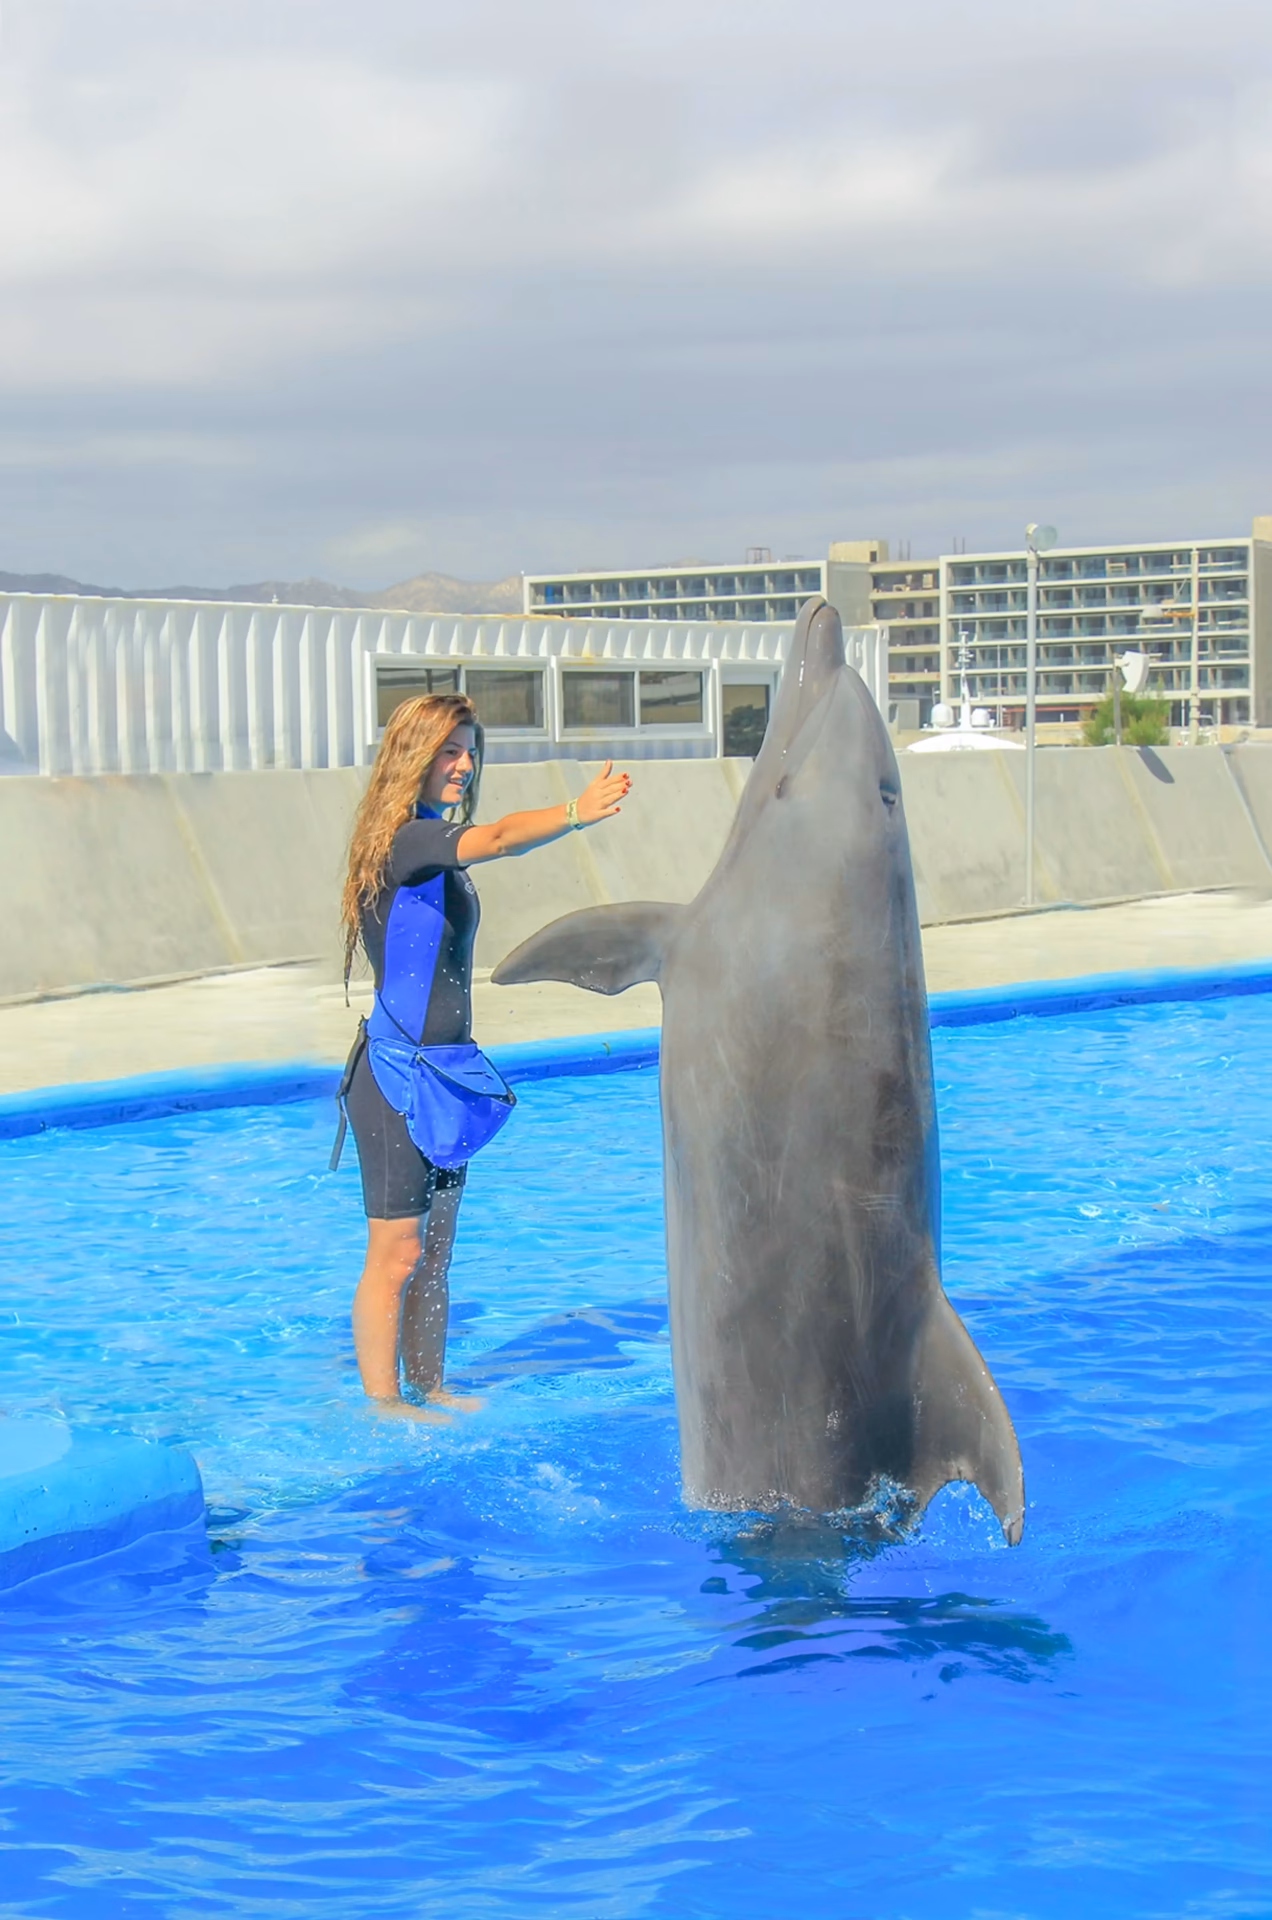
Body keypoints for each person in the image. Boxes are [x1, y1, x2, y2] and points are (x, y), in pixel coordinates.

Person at [337, 691, 630, 1417]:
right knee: (397, 1254)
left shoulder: (435, 848)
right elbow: (498, 837)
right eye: (449, 751)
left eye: (470, 752)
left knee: (435, 1252)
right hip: (397, 1077)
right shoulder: (409, 842)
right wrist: (573, 812)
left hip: (448, 1075)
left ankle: (429, 1384)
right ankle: (384, 1405)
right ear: (413, 757)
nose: (464, 765)